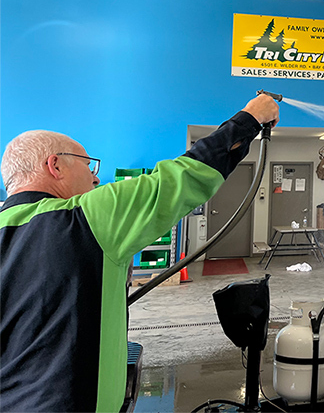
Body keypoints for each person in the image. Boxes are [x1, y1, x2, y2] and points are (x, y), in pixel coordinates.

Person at [0, 94, 280, 412]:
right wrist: (251, 117)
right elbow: (186, 175)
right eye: (88, 164)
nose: (95, 177)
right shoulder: (85, 216)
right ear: (55, 165)